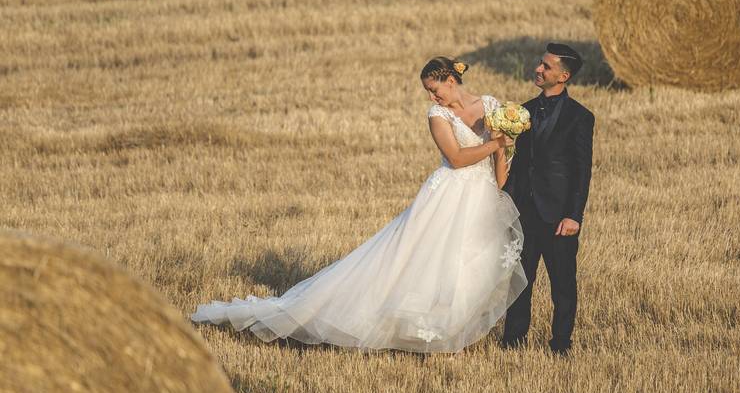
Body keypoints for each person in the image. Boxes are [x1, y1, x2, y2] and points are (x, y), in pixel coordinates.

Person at [190, 57, 527, 353]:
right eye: (428, 90)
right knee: (421, 261)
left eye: (435, 89)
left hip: (480, 196)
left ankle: (447, 331)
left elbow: (498, 176)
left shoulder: (490, 105)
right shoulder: (436, 115)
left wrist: (503, 148)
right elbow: (455, 158)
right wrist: (495, 143)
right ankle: (394, 324)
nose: (431, 96)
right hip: (447, 196)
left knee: (468, 266)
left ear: (452, 81)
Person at [501, 43, 595, 355]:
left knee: (563, 285)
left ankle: (560, 345)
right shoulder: (523, 111)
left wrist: (574, 216)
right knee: (518, 283)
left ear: (564, 76)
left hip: (558, 216)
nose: (538, 70)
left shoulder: (580, 117)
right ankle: (512, 343)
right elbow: (517, 164)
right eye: (540, 64)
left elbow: (582, 171)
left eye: (547, 67)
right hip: (524, 211)